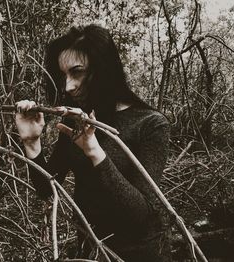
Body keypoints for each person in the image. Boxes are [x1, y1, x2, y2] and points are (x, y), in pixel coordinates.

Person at [15, 24, 172, 261]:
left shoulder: (150, 124)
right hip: (90, 247)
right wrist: (31, 142)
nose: (68, 86)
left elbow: (140, 215)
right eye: (63, 75)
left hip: (140, 253)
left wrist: (94, 151)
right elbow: (47, 187)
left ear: (104, 70)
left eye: (77, 72)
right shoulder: (76, 119)